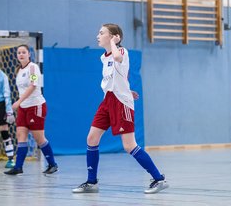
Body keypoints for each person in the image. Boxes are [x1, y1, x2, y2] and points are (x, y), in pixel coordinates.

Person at [72, 23, 168, 194]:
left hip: (120, 103)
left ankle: (158, 178)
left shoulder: (121, 51)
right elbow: (118, 76)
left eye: (101, 33)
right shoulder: (104, 57)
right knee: (91, 138)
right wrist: (126, 88)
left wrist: (115, 44)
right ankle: (91, 182)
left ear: (114, 36)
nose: (98, 35)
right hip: (107, 100)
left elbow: (118, 59)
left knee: (129, 145)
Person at [4, 44, 58, 175]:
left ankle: (52, 164)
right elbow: (21, 90)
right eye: (19, 53)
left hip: (36, 106)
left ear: (29, 54)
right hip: (23, 108)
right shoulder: (19, 70)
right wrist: (19, 105)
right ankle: (18, 167)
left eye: (23, 52)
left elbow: (33, 85)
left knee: (39, 138)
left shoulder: (33, 67)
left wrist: (18, 101)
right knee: (20, 136)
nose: (21, 54)